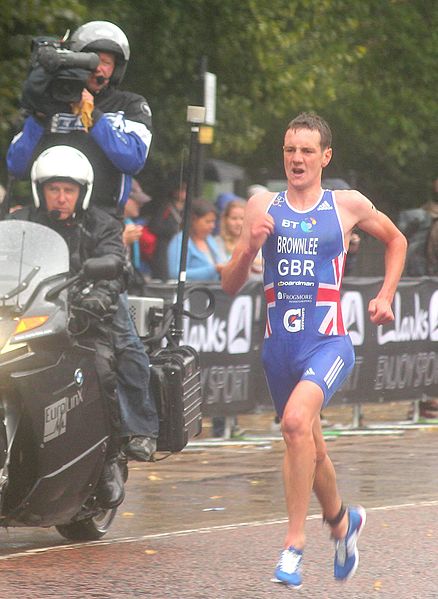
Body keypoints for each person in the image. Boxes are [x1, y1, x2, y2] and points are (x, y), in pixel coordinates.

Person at [221, 112, 407, 589]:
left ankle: (293, 545)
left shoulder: (346, 205)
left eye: (306, 151)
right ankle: (343, 525)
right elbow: (229, 284)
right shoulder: (263, 204)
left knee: (296, 423)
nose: (296, 159)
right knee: (311, 450)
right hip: (279, 348)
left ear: (325, 156)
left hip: (328, 342)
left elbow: (397, 240)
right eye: (289, 150)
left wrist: (385, 295)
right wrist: (248, 250)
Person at [7, 21, 158, 462]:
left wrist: (90, 114)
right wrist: (39, 112)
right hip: (41, 230)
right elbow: (17, 163)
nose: (99, 68)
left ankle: (138, 428)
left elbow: (132, 156)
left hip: (100, 229)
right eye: (92, 59)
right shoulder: (46, 104)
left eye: (107, 61)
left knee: (122, 338)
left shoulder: (130, 105)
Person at [7, 145, 126, 509]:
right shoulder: (20, 221)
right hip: (27, 318)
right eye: (53, 189)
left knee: (102, 368)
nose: (60, 197)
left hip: (82, 320)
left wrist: (97, 299)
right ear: (40, 190)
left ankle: (110, 459)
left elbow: (116, 267)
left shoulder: (101, 225)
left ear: (82, 192)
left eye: (68, 190)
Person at [167, 198, 225, 281]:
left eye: (213, 222)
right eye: (208, 222)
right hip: (191, 291)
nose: (212, 226)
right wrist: (213, 269)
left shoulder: (210, 240)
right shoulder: (180, 241)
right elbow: (175, 273)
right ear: (193, 220)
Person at [148, 178, 186, 280]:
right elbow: (155, 226)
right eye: (181, 190)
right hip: (164, 245)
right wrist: (172, 229)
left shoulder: (185, 209)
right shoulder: (166, 207)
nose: (184, 193)